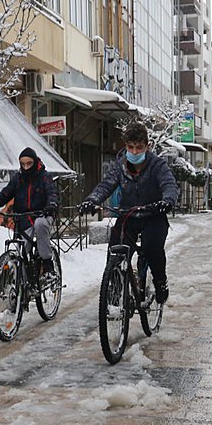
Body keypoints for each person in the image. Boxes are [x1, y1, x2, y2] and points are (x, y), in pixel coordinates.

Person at [77, 122, 178, 304]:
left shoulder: (157, 165)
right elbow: (105, 185)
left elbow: (169, 185)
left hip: (153, 215)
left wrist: (168, 200)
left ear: (147, 146)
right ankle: (115, 293)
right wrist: (91, 200)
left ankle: (160, 280)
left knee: (152, 247)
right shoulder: (120, 166)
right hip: (128, 216)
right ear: (126, 146)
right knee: (115, 251)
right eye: (131, 147)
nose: (135, 152)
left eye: (139, 148)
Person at [0, 147, 59, 276]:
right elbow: (4, 194)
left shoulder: (44, 176)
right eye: (23, 164)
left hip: (43, 214)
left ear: (35, 162)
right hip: (23, 218)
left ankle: (47, 262)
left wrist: (51, 205)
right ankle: (22, 281)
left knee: (40, 225)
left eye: (29, 163)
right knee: (22, 252)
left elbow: (52, 193)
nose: (26, 167)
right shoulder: (18, 179)